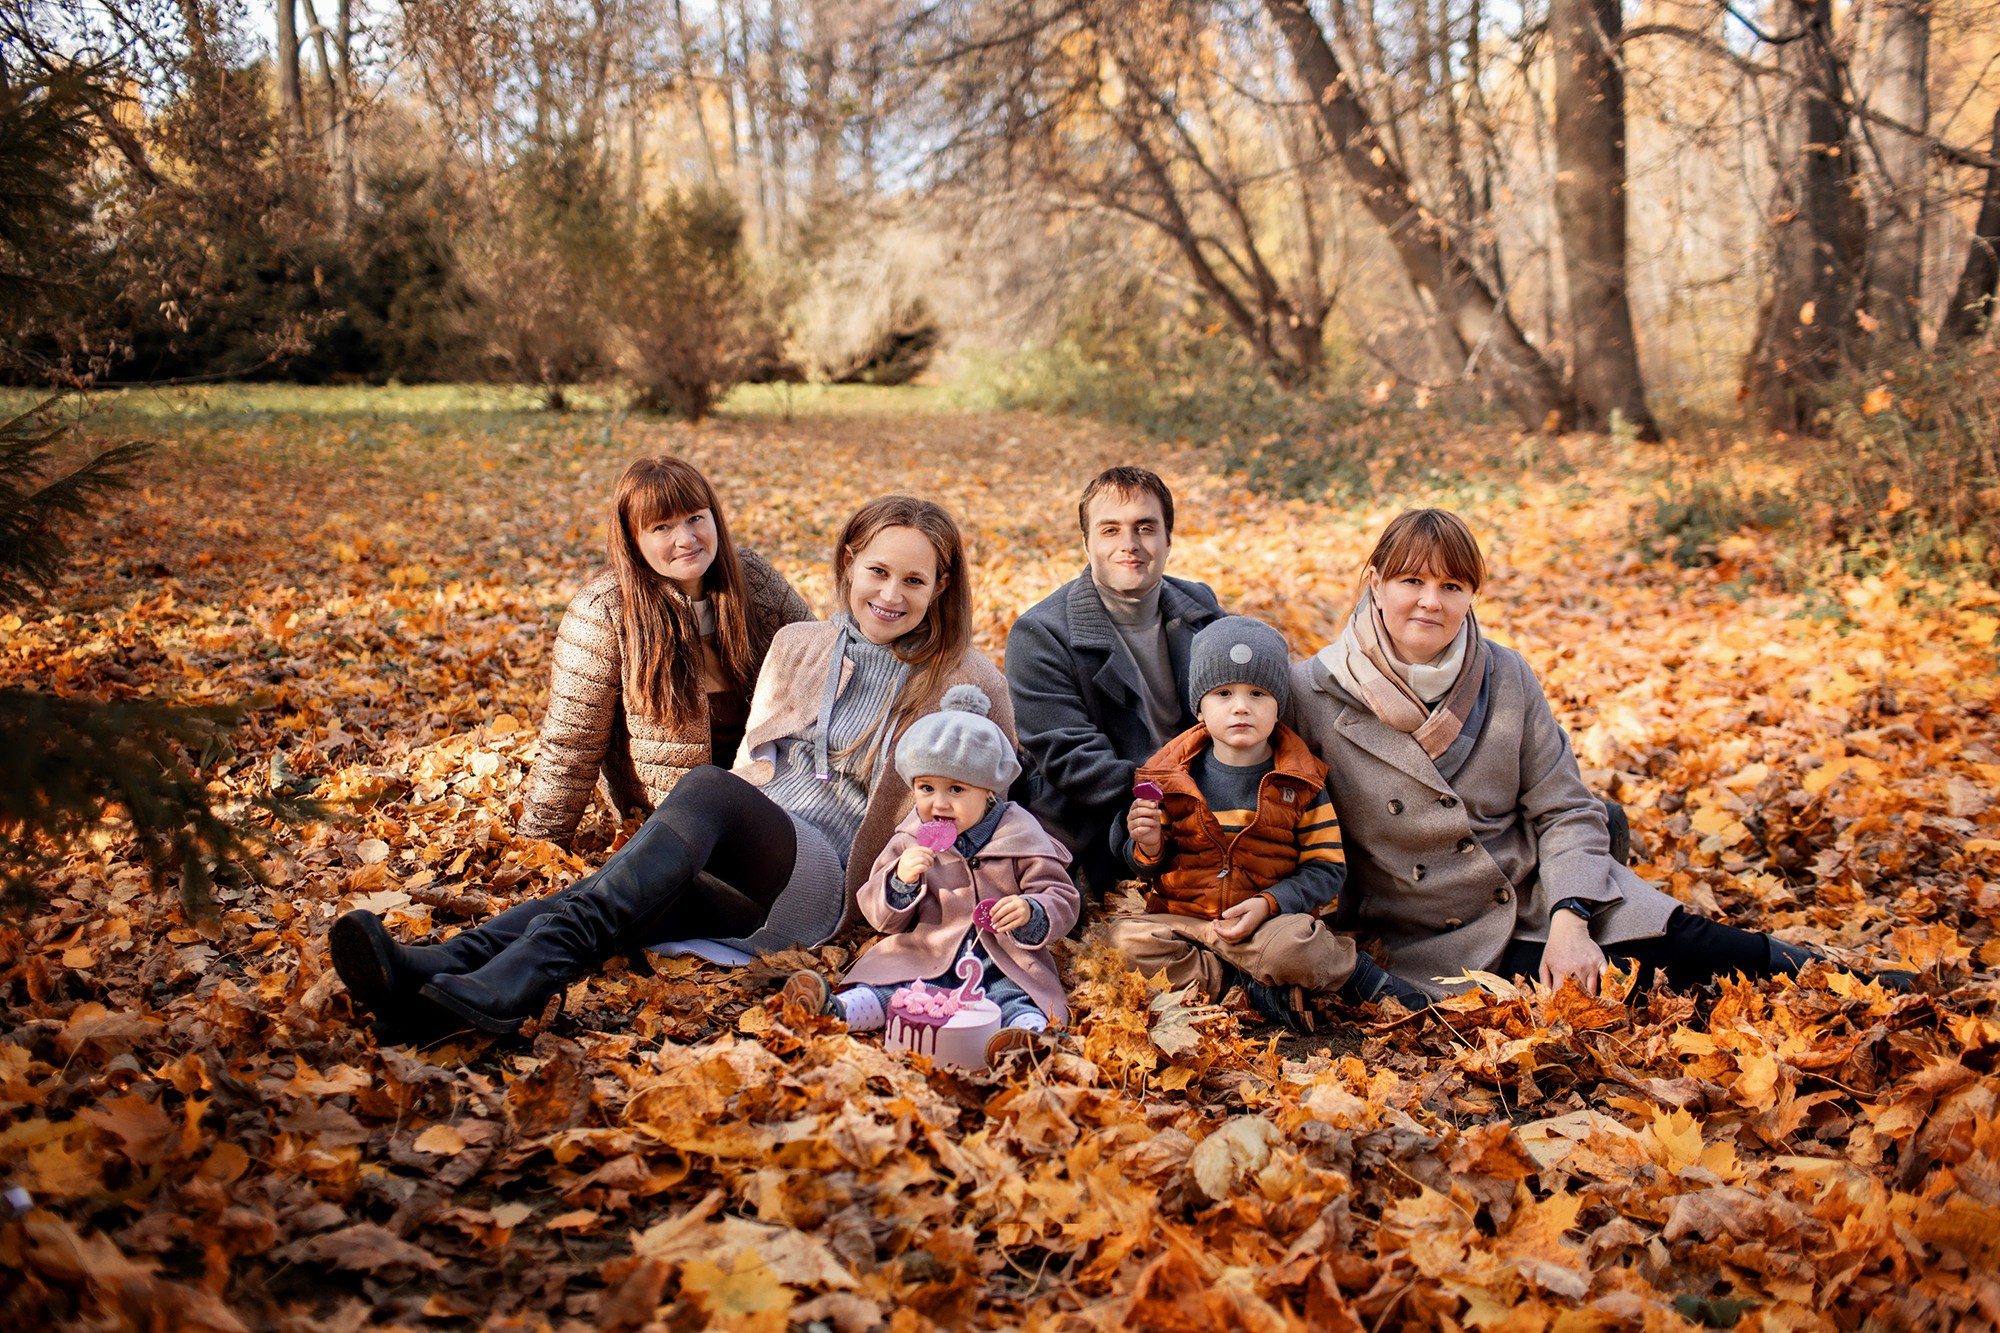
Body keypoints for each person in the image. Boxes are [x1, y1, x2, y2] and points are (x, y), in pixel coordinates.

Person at [331, 496, 1015, 1038]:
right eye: (878, 571)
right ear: (848, 562)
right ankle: (431, 987)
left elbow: (1004, 793)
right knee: (618, 894)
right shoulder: (801, 643)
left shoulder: (967, 679)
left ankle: (504, 980)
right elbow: (756, 766)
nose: (891, 593)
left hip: (829, 881)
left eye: (914, 579)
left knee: (705, 793)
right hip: (751, 854)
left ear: (941, 585)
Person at [1286, 507, 1912, 1000]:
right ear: (1375, 583)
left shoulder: (1505, 675)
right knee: (1624, 985)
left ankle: (1845, 979)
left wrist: (1568, 919)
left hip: (1531, 890)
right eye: (1412, 581)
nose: (1432, 601)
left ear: (1471, 594)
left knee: (1692, 944)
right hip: (1428, 928)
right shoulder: (1314, 691)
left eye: (1452, 584)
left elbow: (1563, 809)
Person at [1104, 616, 1422, 1031]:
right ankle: (1250, 989)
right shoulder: (1168, 781)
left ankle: (1358, 977)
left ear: (1279, 707)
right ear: (1199, 706)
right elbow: (1147, 865)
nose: (1241, 706)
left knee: (1294, 948)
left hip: (1267, 927)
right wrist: (1147, 845)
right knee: (1124, 943)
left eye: (1258, 693)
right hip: (1186, 922)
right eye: (1223, 693)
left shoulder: (1301, 784)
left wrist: (1269, 904)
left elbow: (1327, 868)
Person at [518, 454, 813, 845]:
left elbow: (822, 667)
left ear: (714, 517)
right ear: (633, 540)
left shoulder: (753, 581)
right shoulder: (603, 612)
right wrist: (535, 850)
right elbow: (571, 746)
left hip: (773, 799)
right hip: (671, 824)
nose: (686, 540)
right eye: (662, 527)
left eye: (695, 518)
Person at [784, 684, 1079, 1067]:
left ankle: (1027, 1040)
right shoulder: (910, 839)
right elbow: (881, 916)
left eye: (956, 789)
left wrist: (1031, 910)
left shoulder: (1020, 835)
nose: (939, 803)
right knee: (897, 992)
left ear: (988, 791)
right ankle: (837, 1010)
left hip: (1001, 960)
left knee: (1015, 999)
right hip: (929, 952)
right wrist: (900, 882)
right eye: (926, 788)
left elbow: (1060, 894)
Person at [1006, 466, 1224, 901]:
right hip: (1098, 835)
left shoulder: (1201, 608)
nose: (1130, 544)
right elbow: (1077, 764)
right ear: (1087, 542)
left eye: (1146, 528)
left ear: (1167, 539)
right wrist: (1188, 800)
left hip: (1208, 815)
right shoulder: (1040, 634)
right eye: (1111, 530)